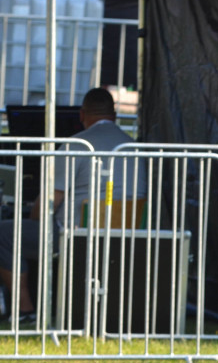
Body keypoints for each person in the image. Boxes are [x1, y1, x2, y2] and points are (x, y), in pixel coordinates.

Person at [0, 87, 145, 322]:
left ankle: (24, 310)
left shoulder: (76, 145)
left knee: (5, 234)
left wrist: (32, 221)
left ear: (82, 115)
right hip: (125, 237)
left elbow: (49, 200)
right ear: (114, 115)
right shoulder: (135, 147)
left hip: (75, 236)